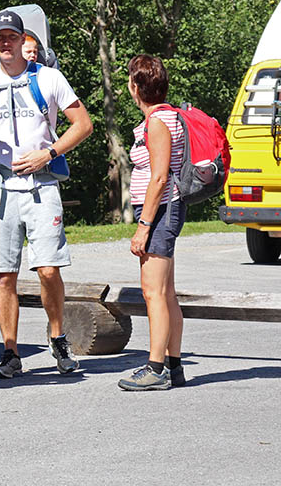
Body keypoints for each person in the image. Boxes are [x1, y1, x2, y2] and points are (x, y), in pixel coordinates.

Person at [0, 10, 93, 378]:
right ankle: (10, 352)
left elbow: (83, 124)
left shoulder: (48, 78)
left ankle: (57, 337)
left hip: (41, 185)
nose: (6, 42)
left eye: (12, 37)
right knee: (4, 275)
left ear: (23, 40)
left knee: (48, 269)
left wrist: (48, 154)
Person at [119, 54, 186, 390]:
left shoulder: (157, 122)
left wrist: (143, 226)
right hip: (165, 209)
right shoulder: (168, 116)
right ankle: (174, 365)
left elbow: (159, 177)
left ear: (136, 87)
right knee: (166, 292)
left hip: (161, 211)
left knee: (153, 292)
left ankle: (156, 368)